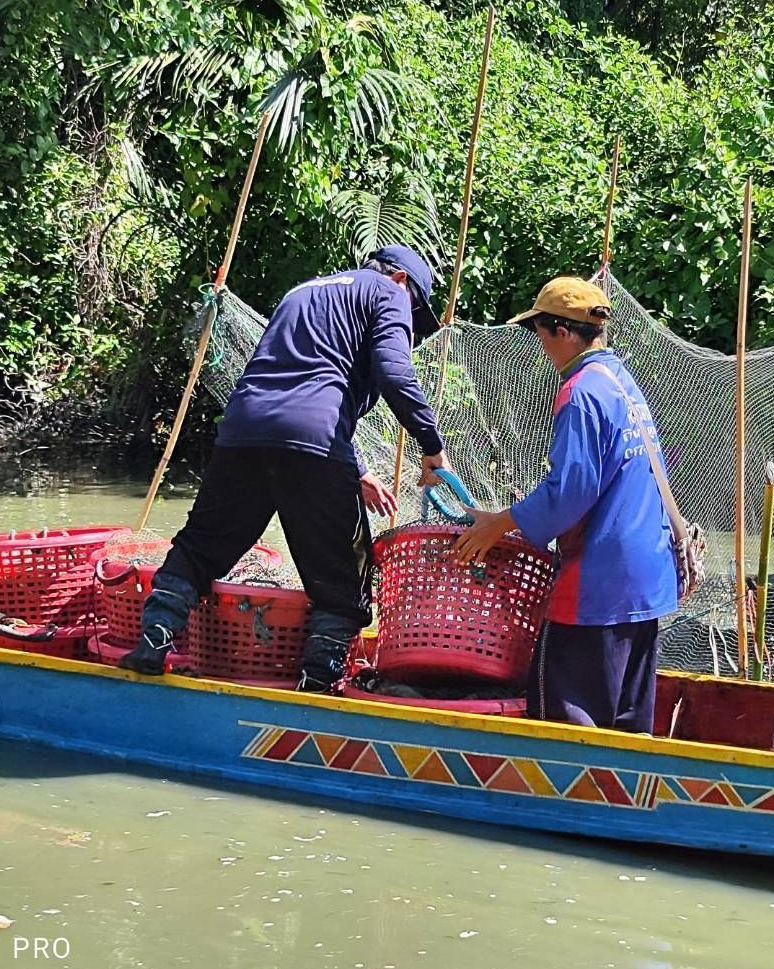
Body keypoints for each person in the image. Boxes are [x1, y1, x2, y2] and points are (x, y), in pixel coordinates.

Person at [120, 246, 451, 687]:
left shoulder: (304, 291)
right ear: (401, 281)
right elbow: (393, 373)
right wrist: (432, 446)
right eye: (414, 310)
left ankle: (153, 643)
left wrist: (357, 467)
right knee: (341, 575)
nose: (410, 321)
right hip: (313, 440)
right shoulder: (388, 293)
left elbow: (299, 383)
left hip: (243, 430)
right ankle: (317, 684)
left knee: (201, 546)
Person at [452, 277, 677, 733]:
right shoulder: (621, 383)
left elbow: (570, 492)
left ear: (560, 331)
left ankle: (564, 799)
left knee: (566, 716)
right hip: (646, 578)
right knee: (628, 723)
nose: (540, 345)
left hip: (599, 581)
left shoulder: (581, 391)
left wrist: (500, 525)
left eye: (539, 333)